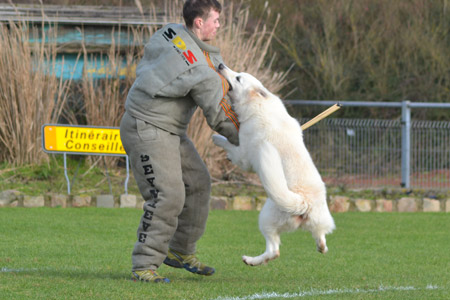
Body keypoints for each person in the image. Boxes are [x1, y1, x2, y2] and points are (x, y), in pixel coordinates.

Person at [120, 0, 239, 283]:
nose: (219, 25)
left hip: (169, 129)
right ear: (199, 23)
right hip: (146, 127)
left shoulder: (171, 33)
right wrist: (251, 137)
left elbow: (206, 66)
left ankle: (181, 251)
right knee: (167, 195)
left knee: (198, 183)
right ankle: (144, 264)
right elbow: (220, 118)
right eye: (215, 20)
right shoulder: (200, 71)